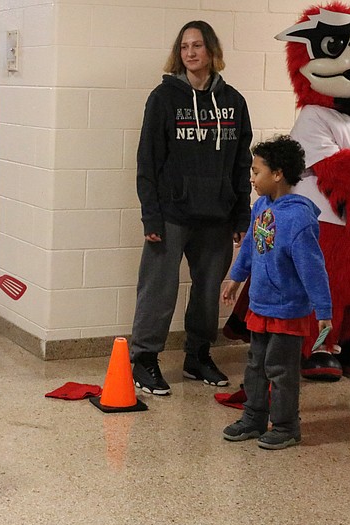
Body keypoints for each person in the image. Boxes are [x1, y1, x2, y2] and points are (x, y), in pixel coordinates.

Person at [130, 20, 253, 395]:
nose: (190, 53)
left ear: (211, 51)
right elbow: (147, 161)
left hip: (217, 216)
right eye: (184, 47)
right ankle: (144, 360)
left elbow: (241, 164)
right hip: (170, 215)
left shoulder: (233, 102)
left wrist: (241, 214)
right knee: (158, 292)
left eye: (198, 46)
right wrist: (151, 214)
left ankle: (198, 356)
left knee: (206, 293)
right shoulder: (163, 99)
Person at [221, 135, 332, 450]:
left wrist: (324, 311)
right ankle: (254, 418)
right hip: (261, 305)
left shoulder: (298, 217)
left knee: (281, 370)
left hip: (288, 310)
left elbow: (313, 268)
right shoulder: (260, 207)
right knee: (256, 365)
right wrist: (235, 277)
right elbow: (250, 250)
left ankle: (286, 426)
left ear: (278, 174)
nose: (252, 178)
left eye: (257, 172)